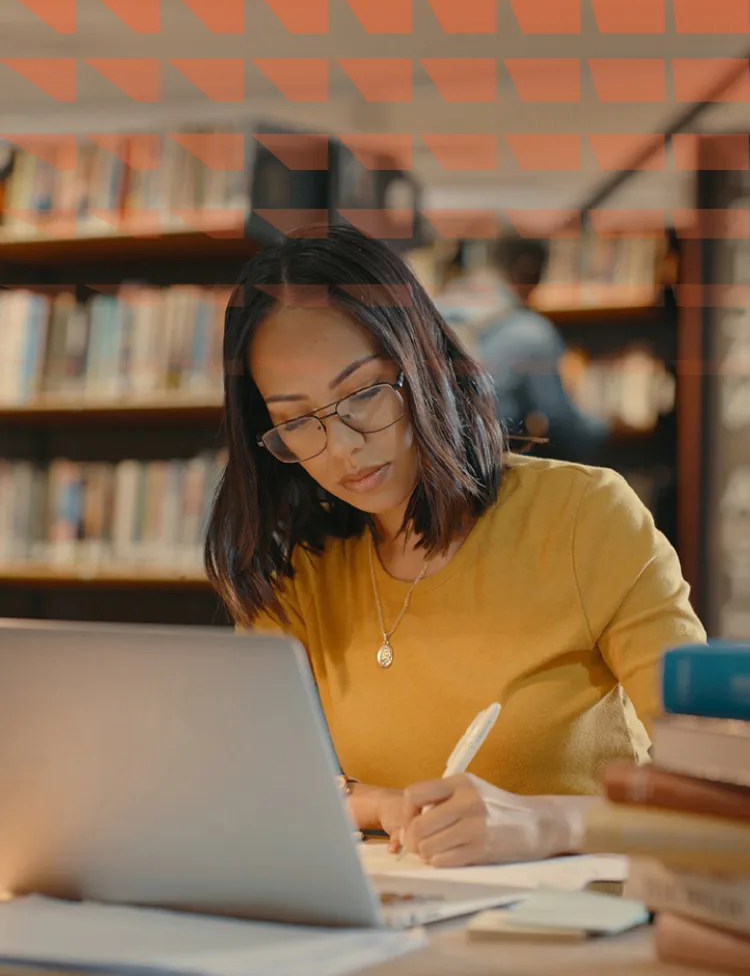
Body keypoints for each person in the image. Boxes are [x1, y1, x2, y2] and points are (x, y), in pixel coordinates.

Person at [205, 223, 706, 869]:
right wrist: (385, 807)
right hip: (396, 910)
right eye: (297, 420)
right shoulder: (296, 567)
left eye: (363, 393)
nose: (343, 447)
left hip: (578, 911)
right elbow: (266, 778)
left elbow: (719, 783)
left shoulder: (584, 515)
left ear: (423, 362)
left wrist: (547, 822)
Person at [439, 235, 610, 463]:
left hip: (431, 466)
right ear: (528, 269)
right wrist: (603, 430)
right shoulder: (531, 333)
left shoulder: (429, 311)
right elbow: (561, 422)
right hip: (488, 469)